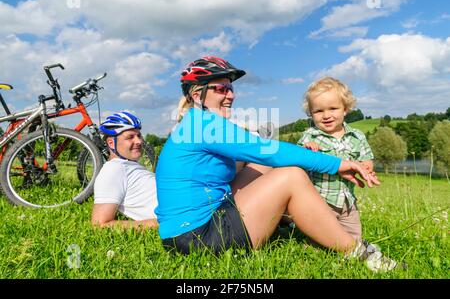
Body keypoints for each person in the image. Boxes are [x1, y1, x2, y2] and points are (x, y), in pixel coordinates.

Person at [155, 56, 399, 272]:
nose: (230, 95)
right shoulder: (203, 125)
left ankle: (290, 219)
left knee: (262, 166)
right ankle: (358, 251)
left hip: (187, 232)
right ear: (197, 95)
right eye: (221, 89)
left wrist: (295, 155)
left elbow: (256, 157)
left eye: (230, 88)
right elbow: (270, 152)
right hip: (198, 239)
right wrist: (338, 164)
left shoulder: (196, 123)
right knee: (290, 175)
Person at [298, 77, 374, 241]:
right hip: (320, 201)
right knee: (319, 236)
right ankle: (313, 248)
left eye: (333, 108)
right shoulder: (310, 136)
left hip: (348, 202)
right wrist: (307, 149)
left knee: (354, 237)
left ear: (345, 109)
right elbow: (297, 162)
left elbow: (367, 158)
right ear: (311, 114)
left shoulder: (357, 136)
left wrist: (366, 168)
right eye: (318, 111)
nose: (326, 115)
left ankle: (353, 254)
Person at [91, 111, 158, 229]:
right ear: (111, 143)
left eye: (139, 135)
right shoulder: (112, 170)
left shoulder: (127, 165)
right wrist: (159, 223)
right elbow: (100, 223)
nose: (139, 141)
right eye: (130, 137)